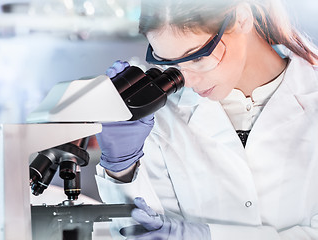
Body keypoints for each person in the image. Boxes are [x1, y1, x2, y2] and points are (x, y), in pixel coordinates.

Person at [95, 0, 318, 239]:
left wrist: (206, 236)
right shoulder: (159, 118)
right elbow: (139, 231)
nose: (188, 81)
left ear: (242, 18)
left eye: (197, 58)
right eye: (171, 64)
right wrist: (121, 168)